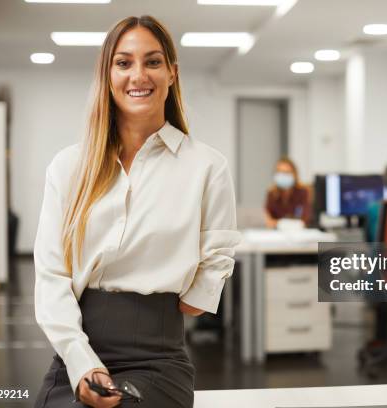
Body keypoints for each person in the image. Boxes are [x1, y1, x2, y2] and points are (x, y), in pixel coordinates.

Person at [33, 16, 240, 408]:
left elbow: (212, 269)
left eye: (153, 62)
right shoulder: (68, 166)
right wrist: (82, 364)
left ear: (172, 74)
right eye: (124, 62)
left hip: (158, 359)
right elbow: (51, 276)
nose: (138, 75)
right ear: (107, 74)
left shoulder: (207, 167)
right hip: (74, 355)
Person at [264, 157, 311, 228]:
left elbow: (305, 220)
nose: (282, 175)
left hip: (299, 234)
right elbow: (268, 220)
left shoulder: (303, 192)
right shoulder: (271, 193)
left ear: (294, 174)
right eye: (279, 172)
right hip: (277, 235)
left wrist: (279, 223)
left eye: (286, 172)